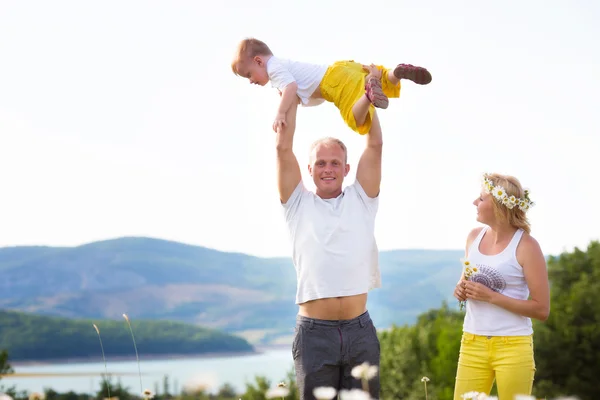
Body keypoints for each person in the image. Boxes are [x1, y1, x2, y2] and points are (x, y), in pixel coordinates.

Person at [274, 66, 385, 400]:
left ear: (346, 169)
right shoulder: (296, 203)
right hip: (314, 335)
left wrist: (370, 97)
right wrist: (288, 97)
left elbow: (375, 145)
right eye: (320, 163)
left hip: (360, 329)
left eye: (335, 163)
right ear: (309, 170)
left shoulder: (362, 198)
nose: (328, 169)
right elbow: (283, 149)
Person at [453, 173, 550, 400]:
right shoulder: (473, 237)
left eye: (481, 198)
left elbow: (541, 309)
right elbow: (464, 281)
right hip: (472, 342)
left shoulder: (527, 246)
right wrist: (460, 290)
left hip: (513, 346)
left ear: (497, 205)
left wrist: (492, 297)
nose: (475, 203)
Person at [231, 37, 431, 136]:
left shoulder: (274, 69)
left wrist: (281, 114)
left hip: (333, 82)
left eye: (248, 74)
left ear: (258, 61)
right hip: (344, 68)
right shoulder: (281, 65)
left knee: (355, 117)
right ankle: (397, 72)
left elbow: (290, 88)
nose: (250, 80)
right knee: (381, 77)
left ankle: (368, 95)